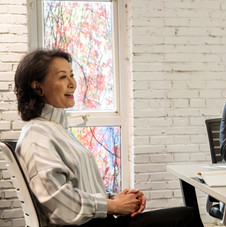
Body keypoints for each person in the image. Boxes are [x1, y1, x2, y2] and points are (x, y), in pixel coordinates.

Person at [14, 49, 197, 227]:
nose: (73, 84)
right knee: (185, 217)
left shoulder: (56, 129)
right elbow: (60, 206)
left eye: (72, 75)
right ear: (37, 87)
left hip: (99, 221)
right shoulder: (36, 136)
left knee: (185, 214)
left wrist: (115, 199)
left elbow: (80, 188)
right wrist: (114, 206)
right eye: (63, 77)